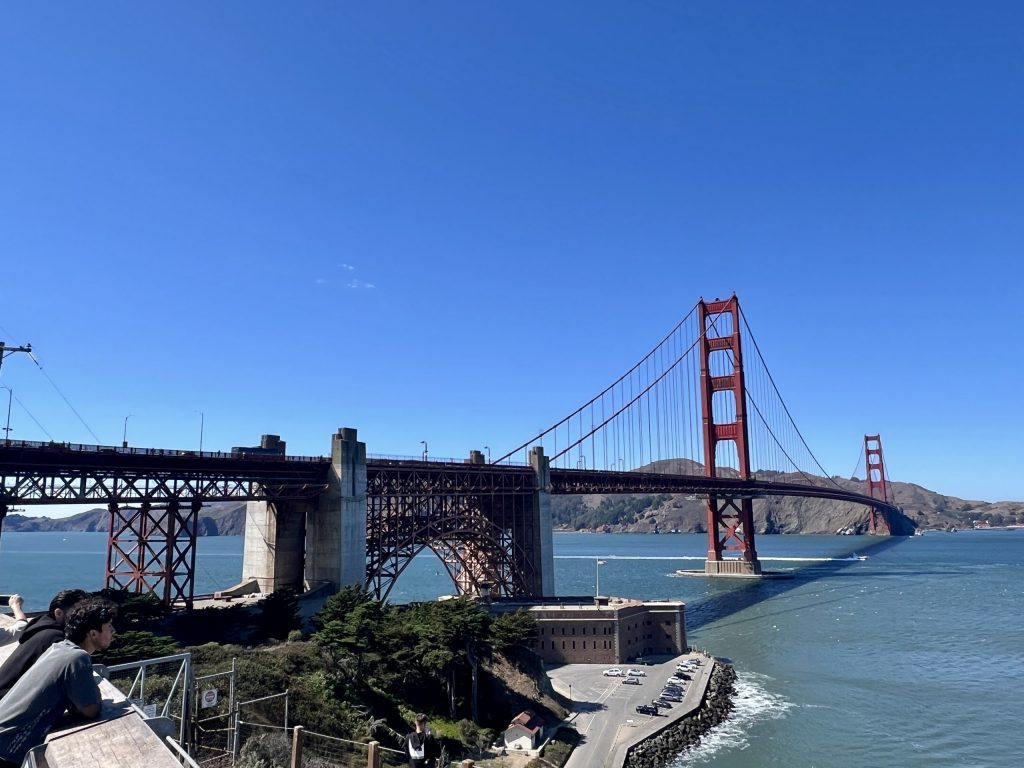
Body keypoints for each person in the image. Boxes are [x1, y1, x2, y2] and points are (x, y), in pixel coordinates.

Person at [0, 598, 116, 766]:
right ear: (92, 633)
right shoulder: (77, 658)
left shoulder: (59, 648)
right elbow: (91, 709)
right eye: (109, 626)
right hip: (7, 748)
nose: (114, 630)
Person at [0, 588, 89, 699]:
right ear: (58, 613)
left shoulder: (42, 626)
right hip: (6, 702)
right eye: (79, 614)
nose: (85, 619)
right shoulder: (56, 641)